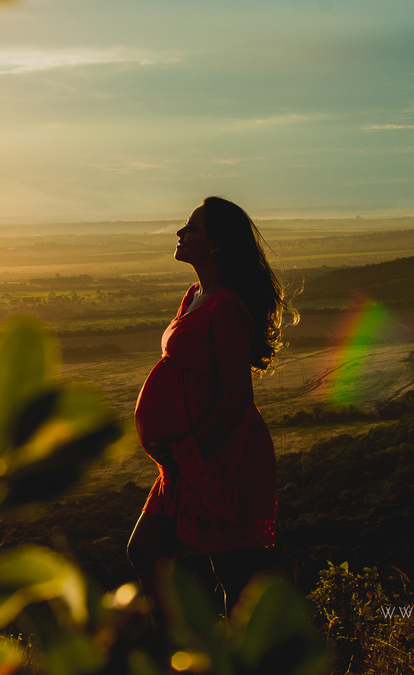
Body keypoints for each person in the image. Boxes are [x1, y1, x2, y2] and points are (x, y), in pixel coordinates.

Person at [127, 196, 296, 615]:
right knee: (146, 551)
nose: (180, 233)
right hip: (186, 462)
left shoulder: (228, 309)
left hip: (222, 457)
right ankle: (175, 645)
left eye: (192, 228)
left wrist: (189, 449)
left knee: (235, 577)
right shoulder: (195, 295)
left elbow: (238, 397)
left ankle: (234, 648)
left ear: (215, 245)